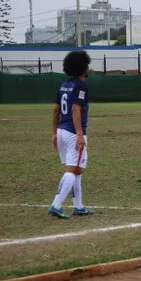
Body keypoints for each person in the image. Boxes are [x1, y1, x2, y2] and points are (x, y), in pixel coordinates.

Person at [48, 51, 94, 219]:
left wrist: (54, 134)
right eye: (87, 65)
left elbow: (55, 110)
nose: (88, 68)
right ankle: (56, 204)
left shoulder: (63, 85)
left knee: (77, 169)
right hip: (73, 132)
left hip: (61, 131)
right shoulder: (81, 86)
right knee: (73, 170)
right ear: (82, 67)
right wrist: (80, 134)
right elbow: (76, 109)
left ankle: (79, 206)